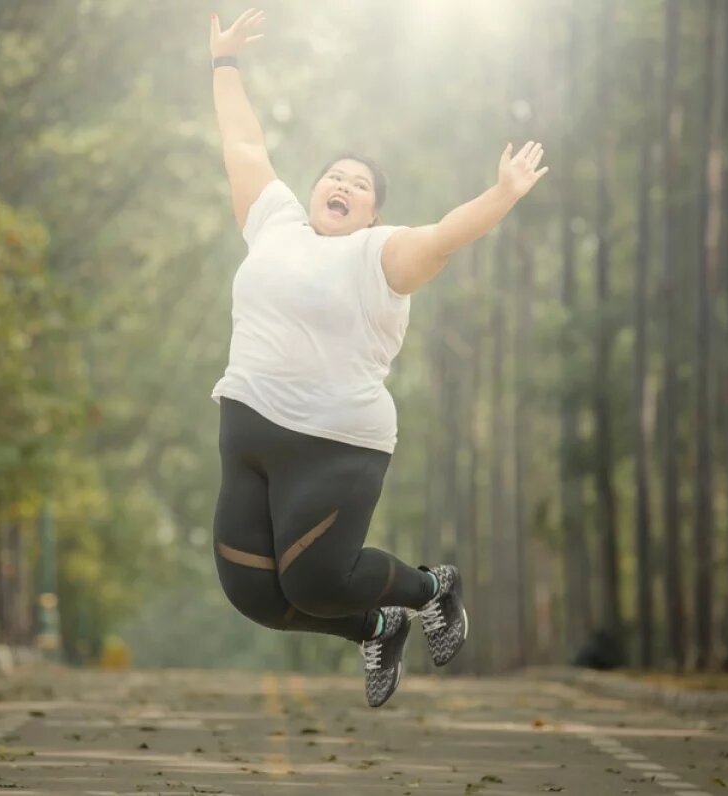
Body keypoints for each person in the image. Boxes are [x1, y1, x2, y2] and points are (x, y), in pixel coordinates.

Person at [208, 9, 548, 708]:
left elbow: (446, 236)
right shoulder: (274, 223)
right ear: (314, 192)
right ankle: (378, 626)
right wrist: (224, 65)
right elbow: (243, 144)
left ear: (370, 212)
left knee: (312, 584)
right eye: (333, 175)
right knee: (253, 595)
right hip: (246, 435)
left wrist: (501, 196)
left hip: (333, 445)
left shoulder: (380, 255)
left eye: (358, 184)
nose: (341, 184)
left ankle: (431, 590)